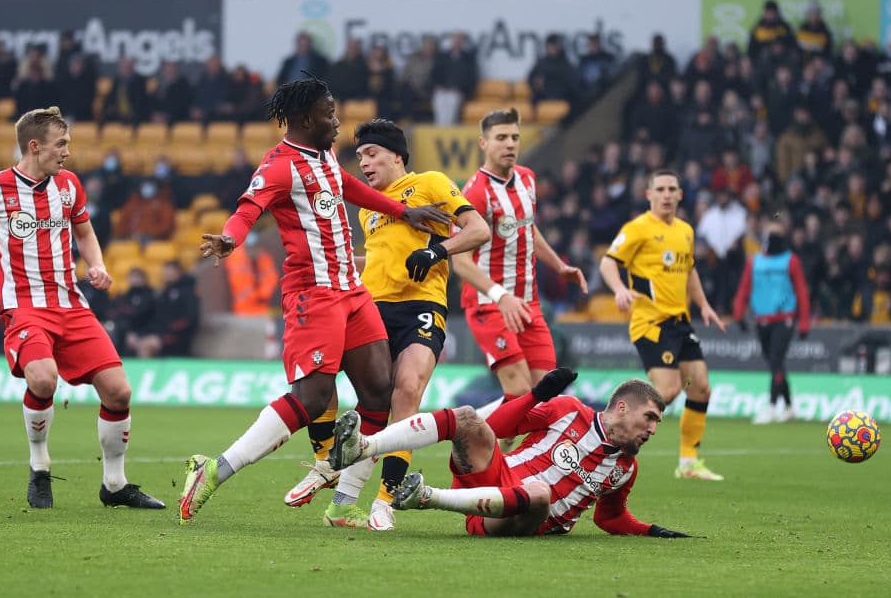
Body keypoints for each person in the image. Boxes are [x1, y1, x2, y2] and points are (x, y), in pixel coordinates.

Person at [178, 78, 453, 524]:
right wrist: (231, 237)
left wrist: (405, 212)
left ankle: (341, 504)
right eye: (330, 114)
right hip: (313, 293)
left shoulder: (323, 156)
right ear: (306, 119)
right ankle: (214, 468)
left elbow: (347, 186)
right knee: (312, 398)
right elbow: (250, 206)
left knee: (380, 395)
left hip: (352, 290)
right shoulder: (278, 166)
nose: (338, 122)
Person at [0, 106, 165, 510]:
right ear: (34, 146)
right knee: (44, 381)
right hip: (24, 307)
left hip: (71, 305)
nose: (67, 151)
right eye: (60, 144)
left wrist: (96, 264)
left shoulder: (69, 186)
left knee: (119, 392)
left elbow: (85, 231)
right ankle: (40, 467)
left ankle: (114, 487)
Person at [284, 119, 490, 530]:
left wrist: (437, 253)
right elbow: (378, 260)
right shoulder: (369, 209)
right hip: (371, 308)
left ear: (397, 155)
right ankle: (328, 465)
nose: (364, 162)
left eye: (372, 153)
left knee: (407, 389)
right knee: (321, 372)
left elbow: (478, 229)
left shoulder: (430, 183)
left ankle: (386, 498)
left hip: (420, 305)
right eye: (359, 156)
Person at [329, 372, 696, 539]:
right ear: (620, 408)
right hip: (492, 478)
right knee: (468, 418)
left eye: (657, 423)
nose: (652, 429)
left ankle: (427, 497)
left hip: (518, 518)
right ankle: (363, 446)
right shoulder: (568, 410)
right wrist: (537, 395)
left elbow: (611, 519)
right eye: (649, 418)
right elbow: (501, 428)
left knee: (540, 495)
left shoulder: (624, 470)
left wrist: (651, 530)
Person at [450, 108, 588, 411]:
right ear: (483, 144)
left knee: (544, 395)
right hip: (490, 305)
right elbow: (459, 262)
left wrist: (559, 266)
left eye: (514, 137)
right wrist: (501, 297)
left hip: (528, 304)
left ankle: (498, 452)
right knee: (521, 393)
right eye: (501, 137)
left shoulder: (527, 178)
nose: (510, 143)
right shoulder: (474, 194)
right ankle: (482, 449)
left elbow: (527, 229)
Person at [599, 169, 727, 481]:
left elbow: (690, 271)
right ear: (649, 195)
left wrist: (704, 304)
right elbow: (608, 262)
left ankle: (688, 463)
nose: (667, 194)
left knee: (701, 387)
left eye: (672, 189)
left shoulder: (685, 230)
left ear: (681, 194)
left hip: (680, 322)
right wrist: (618, 290)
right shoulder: (638, 228)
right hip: (651, 323)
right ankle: (604, 436)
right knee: (667, 392)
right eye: (661, 189)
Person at [732, 218, 811, 424]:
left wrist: (803, 323)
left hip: (784, 318)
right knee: (776, 364)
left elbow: (802, 292)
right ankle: (790, 406)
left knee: (776, 359)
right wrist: (738, 314)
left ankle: (772, 406)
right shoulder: (754, 261)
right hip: (762, 319)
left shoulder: (790, 260)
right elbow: (744, 289)